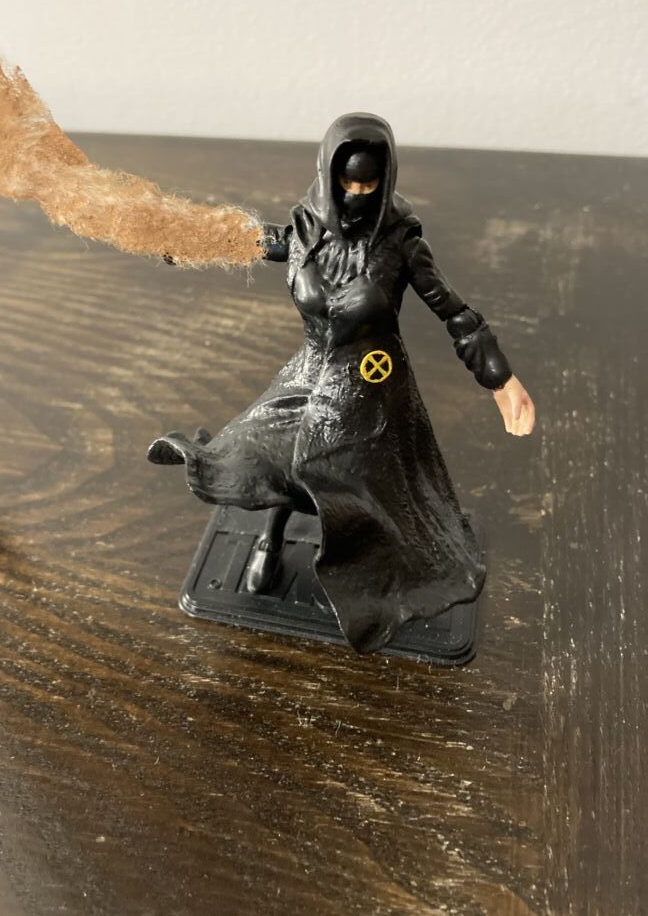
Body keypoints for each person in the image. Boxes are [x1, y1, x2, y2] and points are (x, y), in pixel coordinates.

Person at [149, 111, 535, 652]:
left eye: (368, 185)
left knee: (350, 484)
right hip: (309, 372)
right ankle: (271, 535)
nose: (356, 195)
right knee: (260, 453)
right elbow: (248, 241)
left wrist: (501, 380)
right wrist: (181, 241)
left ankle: (366, 573)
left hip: (369, 384)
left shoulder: (400, 244)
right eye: (347, 184)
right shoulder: (305, 234)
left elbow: (456, 313)